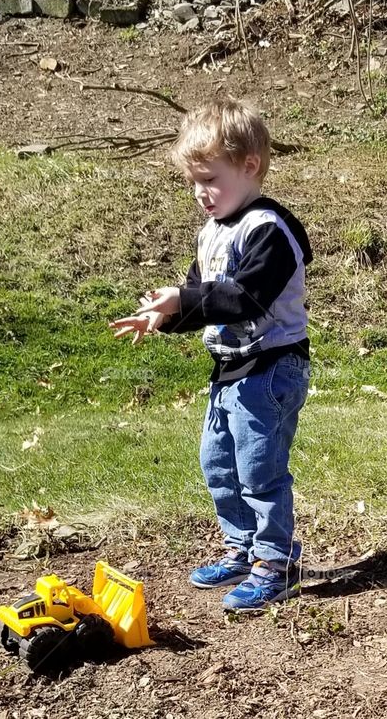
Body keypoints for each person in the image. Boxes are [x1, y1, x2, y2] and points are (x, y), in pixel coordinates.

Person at [110, 98, 312, 612]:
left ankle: (277, 561)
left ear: (249, 166)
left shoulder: (269, 229)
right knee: (219, 464)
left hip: (271, 368)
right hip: (229, 370)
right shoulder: (211, 231)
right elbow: (200, 294)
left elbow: (245, 298)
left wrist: (186, 300)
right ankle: (243, 548)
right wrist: (166, 314)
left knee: (260, 468)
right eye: (193, 182)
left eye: (211, 179)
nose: (201, 193)